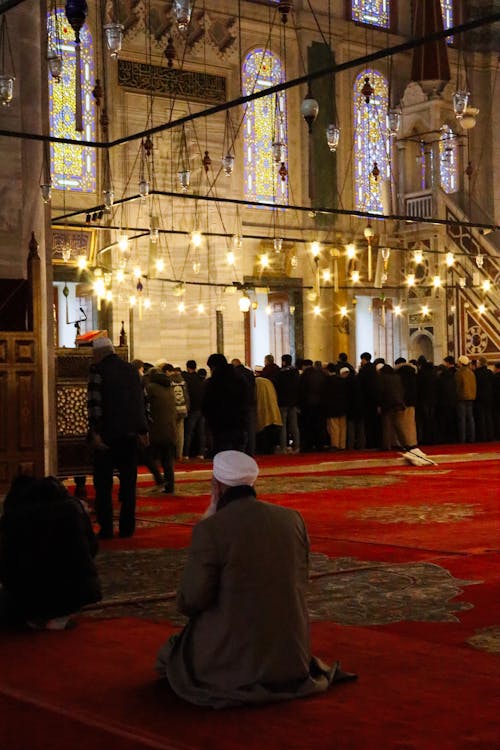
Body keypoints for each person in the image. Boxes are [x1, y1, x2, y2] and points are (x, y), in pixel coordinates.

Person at [155, 450, 356, 708]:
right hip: (290, 655)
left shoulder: (211, 529)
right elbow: (301, 580)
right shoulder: (292, 519)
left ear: (216, 487)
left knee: (170, 656)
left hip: (233, 660)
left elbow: (191, 601)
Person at [0, 475, 101, 630]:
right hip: (75, 590)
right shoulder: (73, 507)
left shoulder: (15, 514)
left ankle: (33, 616)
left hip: (29, 592)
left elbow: (8, 561)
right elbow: (92, 547)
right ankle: (59, 616)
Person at [87, 337, 149, 539]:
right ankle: (127, 528)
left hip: (107, 437)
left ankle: (106, 529)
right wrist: (143, 430)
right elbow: (143, 401)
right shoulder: (132, 370)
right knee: (129, 484)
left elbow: (94, 405)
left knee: (103, 485)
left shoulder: (98, 371)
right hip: (130, 436)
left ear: (99, 353)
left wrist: (95, 433)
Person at [202, 353, 250, 455]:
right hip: (240, 424)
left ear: (213, 367)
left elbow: (207, 405)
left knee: (225, 460)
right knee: (239, 458)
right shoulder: (240, 379)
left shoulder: (213, 382)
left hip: (222, 427)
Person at [145, 367, 177, 494]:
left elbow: (145, 407)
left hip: (156, 429)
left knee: (146, 456)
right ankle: (170, 486)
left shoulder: (150, 388)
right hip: (170, 428)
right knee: (167, 460)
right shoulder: (169, 387)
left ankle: (159, 479)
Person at [455, 355, 476, 443]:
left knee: (462, 419)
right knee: (470, 419)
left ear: (460, 363)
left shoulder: (459, 373)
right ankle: (472, 438)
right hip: (471, 397)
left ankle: (462, 439)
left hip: (462, 398)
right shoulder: (471, 372)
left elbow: (457, 386)